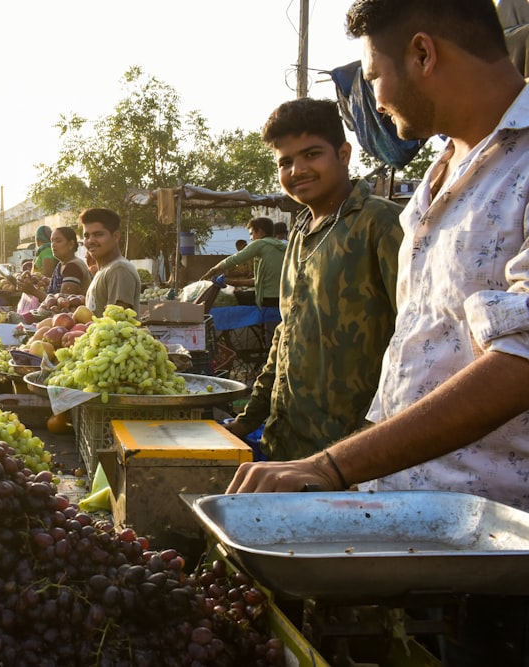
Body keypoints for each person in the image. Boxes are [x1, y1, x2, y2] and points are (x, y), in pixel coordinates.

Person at [228, 3, 528, 659]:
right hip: (426, 532)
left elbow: (520, 360)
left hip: (506, 549)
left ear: (423, 55)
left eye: (372, 76)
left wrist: (333, 463)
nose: (375, 100)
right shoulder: (440, 175)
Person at [223, 98, 402, 462]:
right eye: (285, 162)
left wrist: (374, 446)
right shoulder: (301, 234)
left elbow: (416, 344)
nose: (298, 170)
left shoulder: (381, 224)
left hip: (354, 457)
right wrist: (248, 420)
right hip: (287, 447)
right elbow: (284, 338)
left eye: (311, 155)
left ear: (344, 153)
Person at [200, 217, 287, 309]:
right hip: (283, 296)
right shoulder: (283, 246)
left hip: (267, 298)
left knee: (232, 298)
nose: (250, 238)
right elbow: (261, 281)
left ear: (260, 232)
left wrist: (213, 270)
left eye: (251, 233)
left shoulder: (260, 244)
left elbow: (234, 259)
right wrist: (234, 283)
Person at [80, 208, 141, 314]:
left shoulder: (119, 269)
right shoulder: (105, 270)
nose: (90, 241)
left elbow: (117, 323)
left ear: (116, 236)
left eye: (98, 234)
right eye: (86, 236)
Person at [18, 226, 92, 300]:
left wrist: (33, 291)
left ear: (71, 244)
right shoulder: (61, 264)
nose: (53, 244)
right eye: (52, 241)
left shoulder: (73, 267)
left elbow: (62, 302)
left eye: (58, 241)